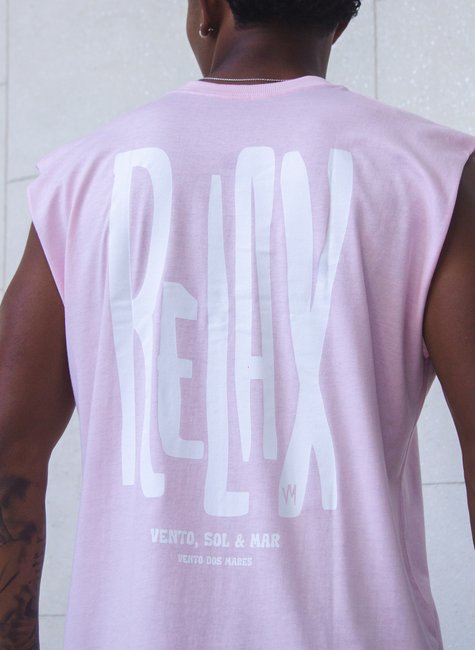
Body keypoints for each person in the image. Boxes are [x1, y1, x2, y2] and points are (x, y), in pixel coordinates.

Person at [0, 0, 474, 647]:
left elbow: (9, 442)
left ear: (207, 10)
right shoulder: (429, 173)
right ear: (338, 21)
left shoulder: (81, 180)